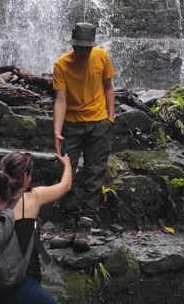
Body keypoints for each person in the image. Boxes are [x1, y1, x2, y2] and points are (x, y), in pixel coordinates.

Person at [51, 22, 115, 252]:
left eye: (87, 47)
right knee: (67, 169)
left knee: (95, 172)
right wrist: (57, 131)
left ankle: (85, 225)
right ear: (73, 45)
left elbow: (108, 86)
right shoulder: (61, 65)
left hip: (98, 124)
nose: (83, 51)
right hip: (72, 125)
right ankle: (68, 223)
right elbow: (60, 99)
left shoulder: (101, 56)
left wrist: (111, 118)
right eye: (79, 47)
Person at [0, 150, 72, 304]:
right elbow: (65, 185)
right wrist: (67, 163)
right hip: (22, 286)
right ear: (25, 177)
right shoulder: (32, 198)